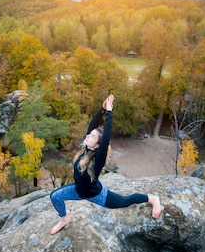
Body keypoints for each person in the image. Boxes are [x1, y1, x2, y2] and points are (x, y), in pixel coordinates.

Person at [49, 94, 162, 234]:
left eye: (92, 137)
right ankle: (65, 219)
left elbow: (106, 136)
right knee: (55, 196)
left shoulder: (98, 158)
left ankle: (152, 199)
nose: (87, 136)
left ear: (98, 145)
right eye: (89, 135)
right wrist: (102, 110)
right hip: (78, 191)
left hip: (97, 194)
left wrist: (109, 112)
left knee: (124, 201)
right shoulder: (86, 148)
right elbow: (93, 125)